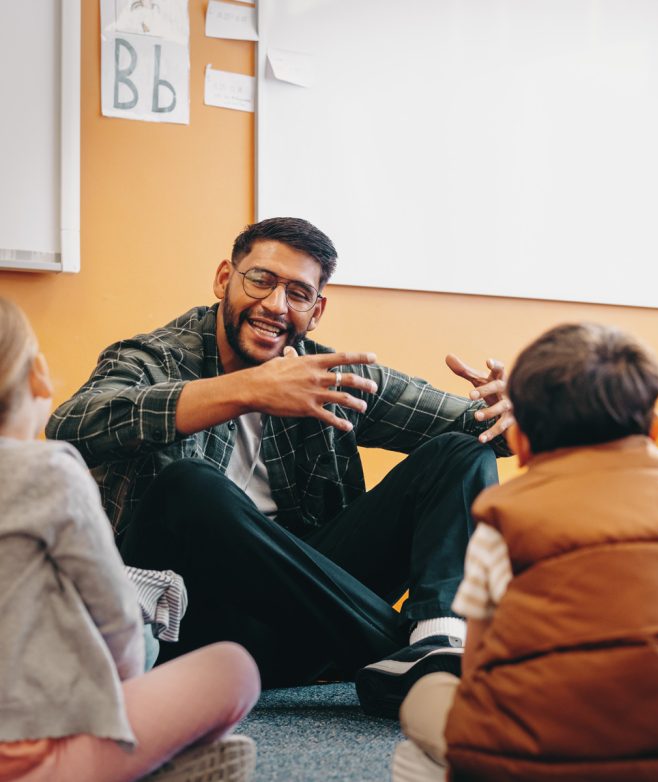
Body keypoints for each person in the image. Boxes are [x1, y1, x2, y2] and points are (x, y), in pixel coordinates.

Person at [46, 216, 512, 717]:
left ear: (317, 310)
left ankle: (439, 637)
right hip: (190, 631)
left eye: (297, 292)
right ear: (226, 278)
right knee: (188, 488)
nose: (275, 305)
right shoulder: (154, 356)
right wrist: (245, 391)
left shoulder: (332, 375)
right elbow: (70, 424)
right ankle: (414, 658)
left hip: (303, 623)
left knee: (462, 451)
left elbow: (478, 425)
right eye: (261, 280)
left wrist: (516, 411)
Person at [393, 323, 658, 782]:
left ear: (519, 444)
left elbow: (481, 660)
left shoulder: (502, 519)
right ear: (654, 430)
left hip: (557, 750)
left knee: (426, 696)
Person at [0, 297, 260, 782]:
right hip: (35, 755)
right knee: (232, 667)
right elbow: (115, 614)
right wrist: (127, 687)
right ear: (39, 375)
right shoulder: (49, 471)